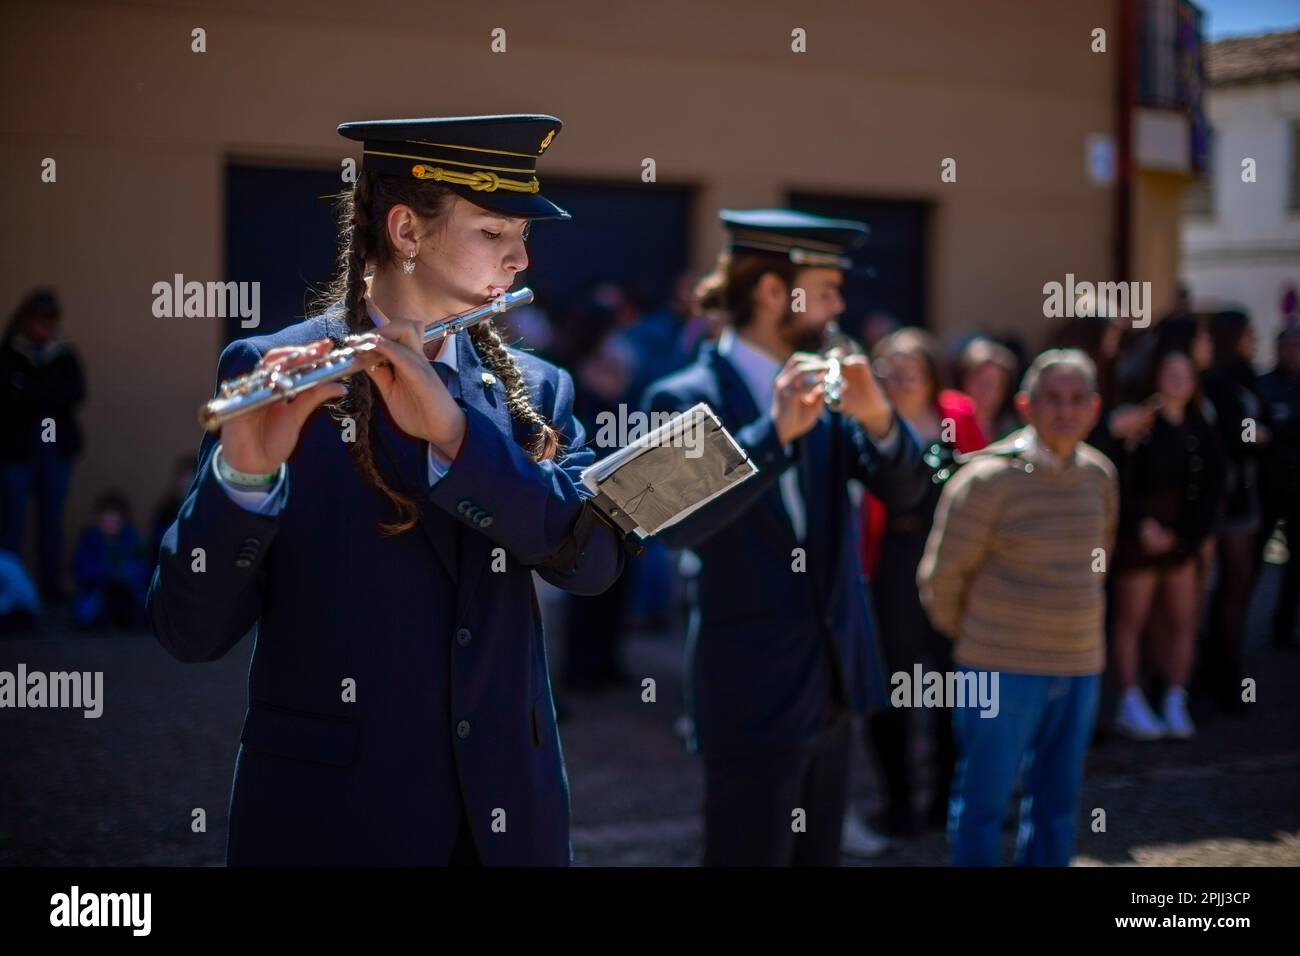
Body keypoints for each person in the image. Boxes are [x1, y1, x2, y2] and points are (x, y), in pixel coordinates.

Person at [148, 114, 626, 866]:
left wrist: (459, 443)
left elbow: (593, 564)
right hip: (335, 818)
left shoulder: (537, 389)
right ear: (406, 228)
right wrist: (243, 479)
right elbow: (190, 632)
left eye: (521, 237)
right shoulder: (273, 366)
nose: (522, 259)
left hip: (508, 813)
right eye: (495, 232)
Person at [642, 209, 929, 866]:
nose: (839, 304)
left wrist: (881, 418)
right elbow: (675, 525)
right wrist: (771, 439)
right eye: (826, 288)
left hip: (833, 679)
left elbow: (911, 495)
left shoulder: (832, 395)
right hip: (748, 687)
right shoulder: (680, 395)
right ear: (774, 293)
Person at [918, 349, 1118, 866]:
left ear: (1095, 409)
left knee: (1057, 803)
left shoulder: (1100, 476)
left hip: (1078, 665)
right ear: (1026, 404)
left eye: (1077, 400)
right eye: (1052, 398)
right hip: (998, 667)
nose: (1065, 411)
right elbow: (942, 578)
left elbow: (1101, 558)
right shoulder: (986, 481)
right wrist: (982, 638)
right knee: (983, 802)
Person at [856, 328, 986, 839]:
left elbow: (983, 483)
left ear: (933, 371)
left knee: (956, 682)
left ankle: (947, 801)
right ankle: (899, 801)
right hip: (891, 562)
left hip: (953, 560)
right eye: (891, 365)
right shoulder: (866, 420)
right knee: (894, 685)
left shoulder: (957, 414)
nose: (904, 374)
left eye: (914, 365)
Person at [1110, 349, 1224, 740]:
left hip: (1182, 540)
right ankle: (1129, 699)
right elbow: (1121, 479)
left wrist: (1192, 535)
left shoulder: (1201, 427)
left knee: (1181, 620)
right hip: (1139, 540)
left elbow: (1212, 487)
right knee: (1133, 620)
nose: (1176, 381)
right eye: (1169, 372)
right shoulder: (1138, 423)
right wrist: (1142, 525)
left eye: (1184, 373)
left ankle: (1176, 697)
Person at [0, 288, 86, 604]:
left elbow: (74, 394)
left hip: (55, 448)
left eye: (49, 322)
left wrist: (30, 390)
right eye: (38, 321)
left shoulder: (63, 355)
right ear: (25, 321)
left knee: (51, 521)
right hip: (17, 451)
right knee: (12, 522)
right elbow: (9, 396)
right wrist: (40, 393)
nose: (43, 328)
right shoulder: (9, 354)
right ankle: (9, 592)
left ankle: (50, 589)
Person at [1201, 311, 1265, 711]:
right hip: (1227, 497)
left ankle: (1223, 665)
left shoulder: (1245, 376)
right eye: (1247, 333)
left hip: (1242, 492)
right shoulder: (1219, 380)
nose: (1252, 339)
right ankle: (1222, 672)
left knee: (1235, 587)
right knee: (1230, 585)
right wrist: (1261, 434)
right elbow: (1237, 434)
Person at [1256, 323, 1300, 649]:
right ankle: (1234, 632)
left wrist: (1276, 434)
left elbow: (1272, 432)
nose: (1293, 352)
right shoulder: (1263, 385)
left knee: (1294, 567)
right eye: (1287, 345)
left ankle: (1283, 629)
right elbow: (1247, 432)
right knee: (1252, 561)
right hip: (1266, 488)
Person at [72, 490, 150, 629]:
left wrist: (126, 574)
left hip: (128, 592)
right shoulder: (89, 541)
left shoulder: (132, 539)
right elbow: (81, 569)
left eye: (115, 521)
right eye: (105, 521)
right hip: (99, 593)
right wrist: (108, 573)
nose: (110, 525)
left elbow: (143, 568)